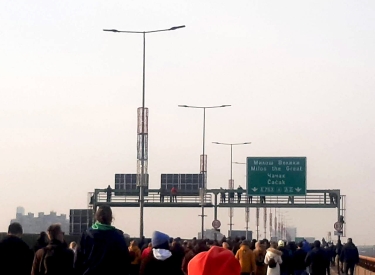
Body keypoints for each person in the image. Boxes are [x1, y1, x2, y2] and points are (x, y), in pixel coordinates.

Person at [76, 205, 131, 275]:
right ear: (111, 218)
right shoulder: (118, 236)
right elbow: (125, 262)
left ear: (96, 217)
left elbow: (77, 262)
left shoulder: (86, 235)